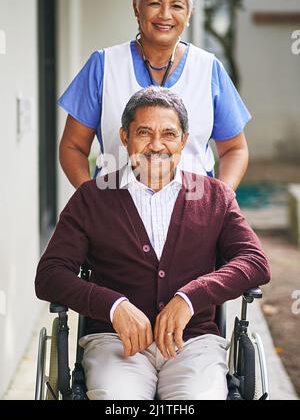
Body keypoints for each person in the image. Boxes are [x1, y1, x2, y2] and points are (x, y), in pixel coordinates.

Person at [35, 87, 270, 400]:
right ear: (124, 137)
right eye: (144, 132)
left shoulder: (215, 197)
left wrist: (190, 297)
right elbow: (50, 275)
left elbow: (254, 262)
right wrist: (113, 306)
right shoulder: (92, 199)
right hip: (115, 340)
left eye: (169, 134)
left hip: (194, 344)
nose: (156, 145)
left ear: (184, 141)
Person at [58, 0, 251, 191]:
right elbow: (72, 146)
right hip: (117, 215)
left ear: (189, 13)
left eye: (177, 5)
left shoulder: (208, 69)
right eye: (154, 3)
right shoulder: (103, 65)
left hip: (192, 211)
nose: (165, 15)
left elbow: (235, 149)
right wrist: (92, 202)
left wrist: (219, 202)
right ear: (137, 8)